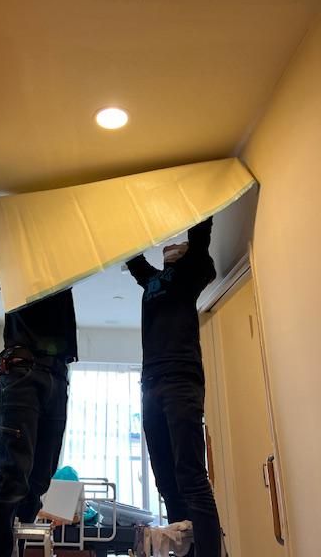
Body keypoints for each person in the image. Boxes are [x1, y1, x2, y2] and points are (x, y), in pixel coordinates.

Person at [0, 206, 77, 557]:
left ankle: (12, 545)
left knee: (38, 480)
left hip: (57, 377)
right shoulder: (20, 266)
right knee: (13, 476)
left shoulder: (64, 270)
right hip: (22, 373)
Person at [126, 217, 221, 557]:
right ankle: (188, 550)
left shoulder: (190, 272)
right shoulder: (152, 280)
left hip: (181, 380)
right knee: (165, 480)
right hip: (150, 384)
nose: (170, 247)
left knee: (191, 476)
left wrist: (197, 204)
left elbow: (200, 231)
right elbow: (132, 258)